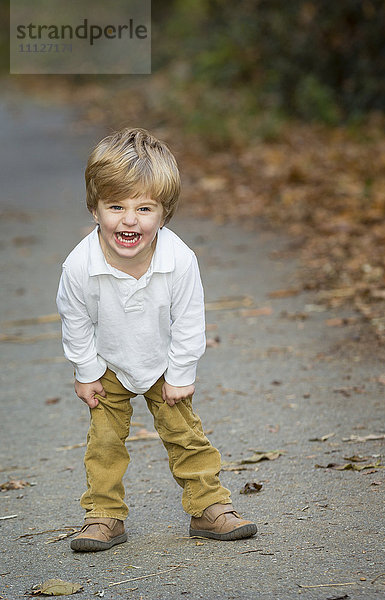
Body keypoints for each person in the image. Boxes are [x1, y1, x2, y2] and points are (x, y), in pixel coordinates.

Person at [56, 128, 257, 552]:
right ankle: (104, 515)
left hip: (163, 363)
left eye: (144, 208)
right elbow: (74, 318)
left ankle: (208, 507)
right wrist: (87, 371)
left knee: (186, 436)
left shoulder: (178, 259)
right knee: (104, 443)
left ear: (164, 214)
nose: (129, 219)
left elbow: (188, 319)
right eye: (116, 206)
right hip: (107, 364)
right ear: (94, 209)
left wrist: (181, 373)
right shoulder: (79, 265)